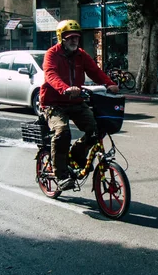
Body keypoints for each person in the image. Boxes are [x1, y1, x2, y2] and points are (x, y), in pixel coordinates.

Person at [40, 19, 119, 190]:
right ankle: (61, 175)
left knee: (96, 130)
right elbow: (51, 75)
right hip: (54, 104)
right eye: (70, 38)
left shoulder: (81, 55)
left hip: (76, 102)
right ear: (61, 38)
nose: (74, 41)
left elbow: (95, 72)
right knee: (62, 132)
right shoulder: (52, 54)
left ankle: (76, 155)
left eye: (76, 37)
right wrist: (65, 89)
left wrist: (109, 83)